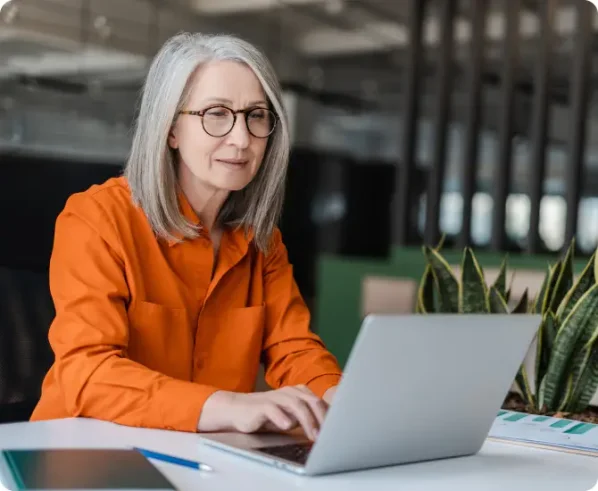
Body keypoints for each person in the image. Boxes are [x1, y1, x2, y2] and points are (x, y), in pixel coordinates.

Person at [30, 32, 342, 441]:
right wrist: (229, 405)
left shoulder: (262, 242)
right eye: (216, 113)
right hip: (85, 451)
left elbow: (295, 349)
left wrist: (340, 399)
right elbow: (87, 371)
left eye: (256, 115)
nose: (242, 138)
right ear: (171, 129)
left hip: (202, 456)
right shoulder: (97, 218)